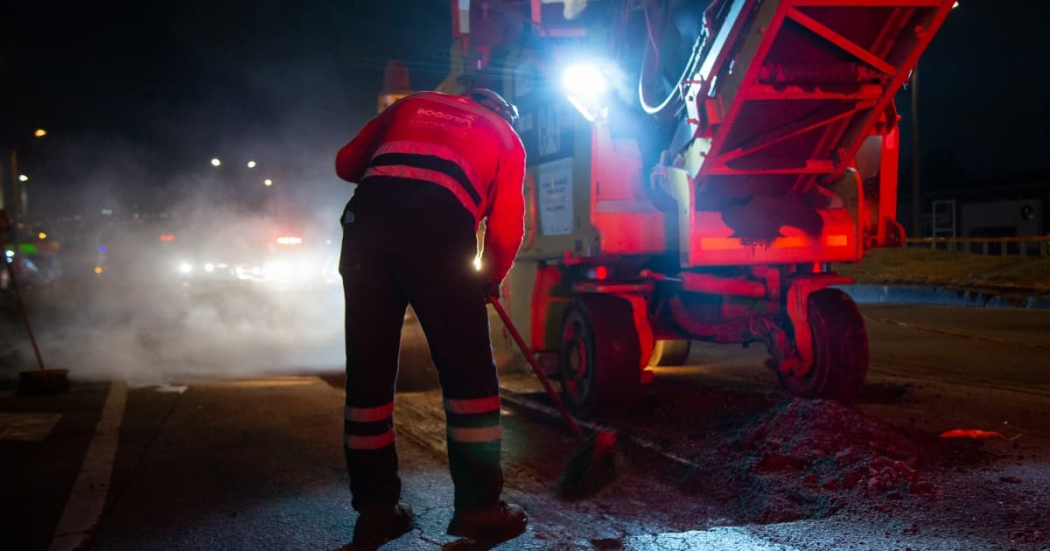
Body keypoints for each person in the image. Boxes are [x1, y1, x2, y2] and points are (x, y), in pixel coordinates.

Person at [334, 88, 527, 546]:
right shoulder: (506, 135)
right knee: (470, 382)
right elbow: (507, 225)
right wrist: (491, 275)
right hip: (440, 231)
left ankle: (377, 511)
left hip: (367, 228)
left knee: (368, 378)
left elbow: (346, 165)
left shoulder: (411, 104)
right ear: (501, 111)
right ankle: (480, 511)